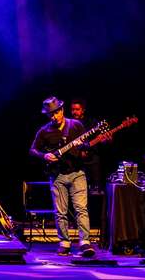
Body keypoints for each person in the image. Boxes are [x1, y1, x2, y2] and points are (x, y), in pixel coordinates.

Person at [29, 96, 96, 257]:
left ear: (61, 110)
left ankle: (85, 243)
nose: (54, 117)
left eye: (56, 113)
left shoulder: (76, 125)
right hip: (56, 175)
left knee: (81, 209)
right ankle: (64, 243)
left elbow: (87, 149)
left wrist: (83, 146)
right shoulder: (44, 131)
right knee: (60, 212)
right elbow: (32, 150)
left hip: (77, 173)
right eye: (50, 114)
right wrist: (44, 156)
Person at [70, 99, 107, 195]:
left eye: (77, 109)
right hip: (76, 161)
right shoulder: (68, 124)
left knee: (95, 190)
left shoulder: (92, 122)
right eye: (72, 109)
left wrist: (104, 140)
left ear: (83, 110)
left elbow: (103, 139)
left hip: (92, 160)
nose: (74, 112)